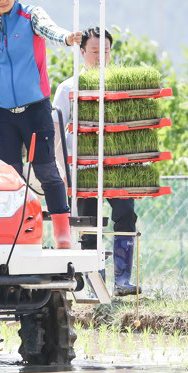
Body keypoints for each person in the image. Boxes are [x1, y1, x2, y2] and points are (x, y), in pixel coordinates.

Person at [0, 0, 83, 249]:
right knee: (10, 175)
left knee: (47, 170)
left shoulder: (30, 15)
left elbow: (50, 29)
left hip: (36, 109)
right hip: (1, 113)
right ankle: (15, 232)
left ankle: (61, 233)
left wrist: (67, 38)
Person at [52, 27, 142, 296]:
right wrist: (63, 171)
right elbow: (56, 132)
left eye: (105, 51)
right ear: (82, 53)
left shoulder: (119, 87)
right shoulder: (68, 88)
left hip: (117, 167)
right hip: (83, 170)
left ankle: (123, 281)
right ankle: (95, 284)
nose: (100, 57)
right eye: (94, 51)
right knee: (89, 223)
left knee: (126, 216)